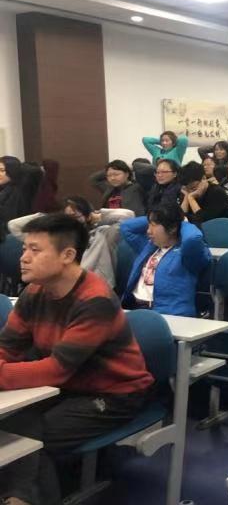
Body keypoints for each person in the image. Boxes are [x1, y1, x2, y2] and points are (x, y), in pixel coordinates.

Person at [0, 214, 153, 505]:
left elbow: (57, 370)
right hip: (66, 387)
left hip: (114, 394)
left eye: (35, 250)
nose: (24, 257)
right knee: (12, 426)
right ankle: (20, 495)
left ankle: (22, 498)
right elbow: (7, 346)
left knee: (31, 441)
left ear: (68, 255)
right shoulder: (34, 291)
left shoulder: (95, 300)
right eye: (24, 249)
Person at [8, 196, 134, 290]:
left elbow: (128, 216)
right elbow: (14, 225)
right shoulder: (55, 238)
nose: (72, 222)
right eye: (67, 217)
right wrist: (50, 218)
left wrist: (98, 215)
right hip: (58, 286)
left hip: (93, 289)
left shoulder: (103, 234)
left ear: (87, 216)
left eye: (76, 216)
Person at [120, 202, 212, 317]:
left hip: (168, 314)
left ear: (172, 228)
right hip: (135, 308)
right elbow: (126, 227)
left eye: (153, 225)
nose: (148, 231)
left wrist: (182, 221)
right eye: (148, 225)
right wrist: (154, 217)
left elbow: (192, 239)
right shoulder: (149, 246)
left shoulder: (188, 253)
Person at [179, 161, 228, 226]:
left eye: (193, 187)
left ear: (204, 178)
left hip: (220, 228)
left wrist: (191, 198)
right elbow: (180, 219)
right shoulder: (187, 192)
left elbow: (204, 222)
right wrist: (186, 197)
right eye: (186, 189)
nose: (190, 191)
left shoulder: (217, 192)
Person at [0, 156, 40, 241]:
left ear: (12, 171)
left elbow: (33, 171)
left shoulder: (20, 190)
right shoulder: (4, 190)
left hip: (11, 235)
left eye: (2, 170)